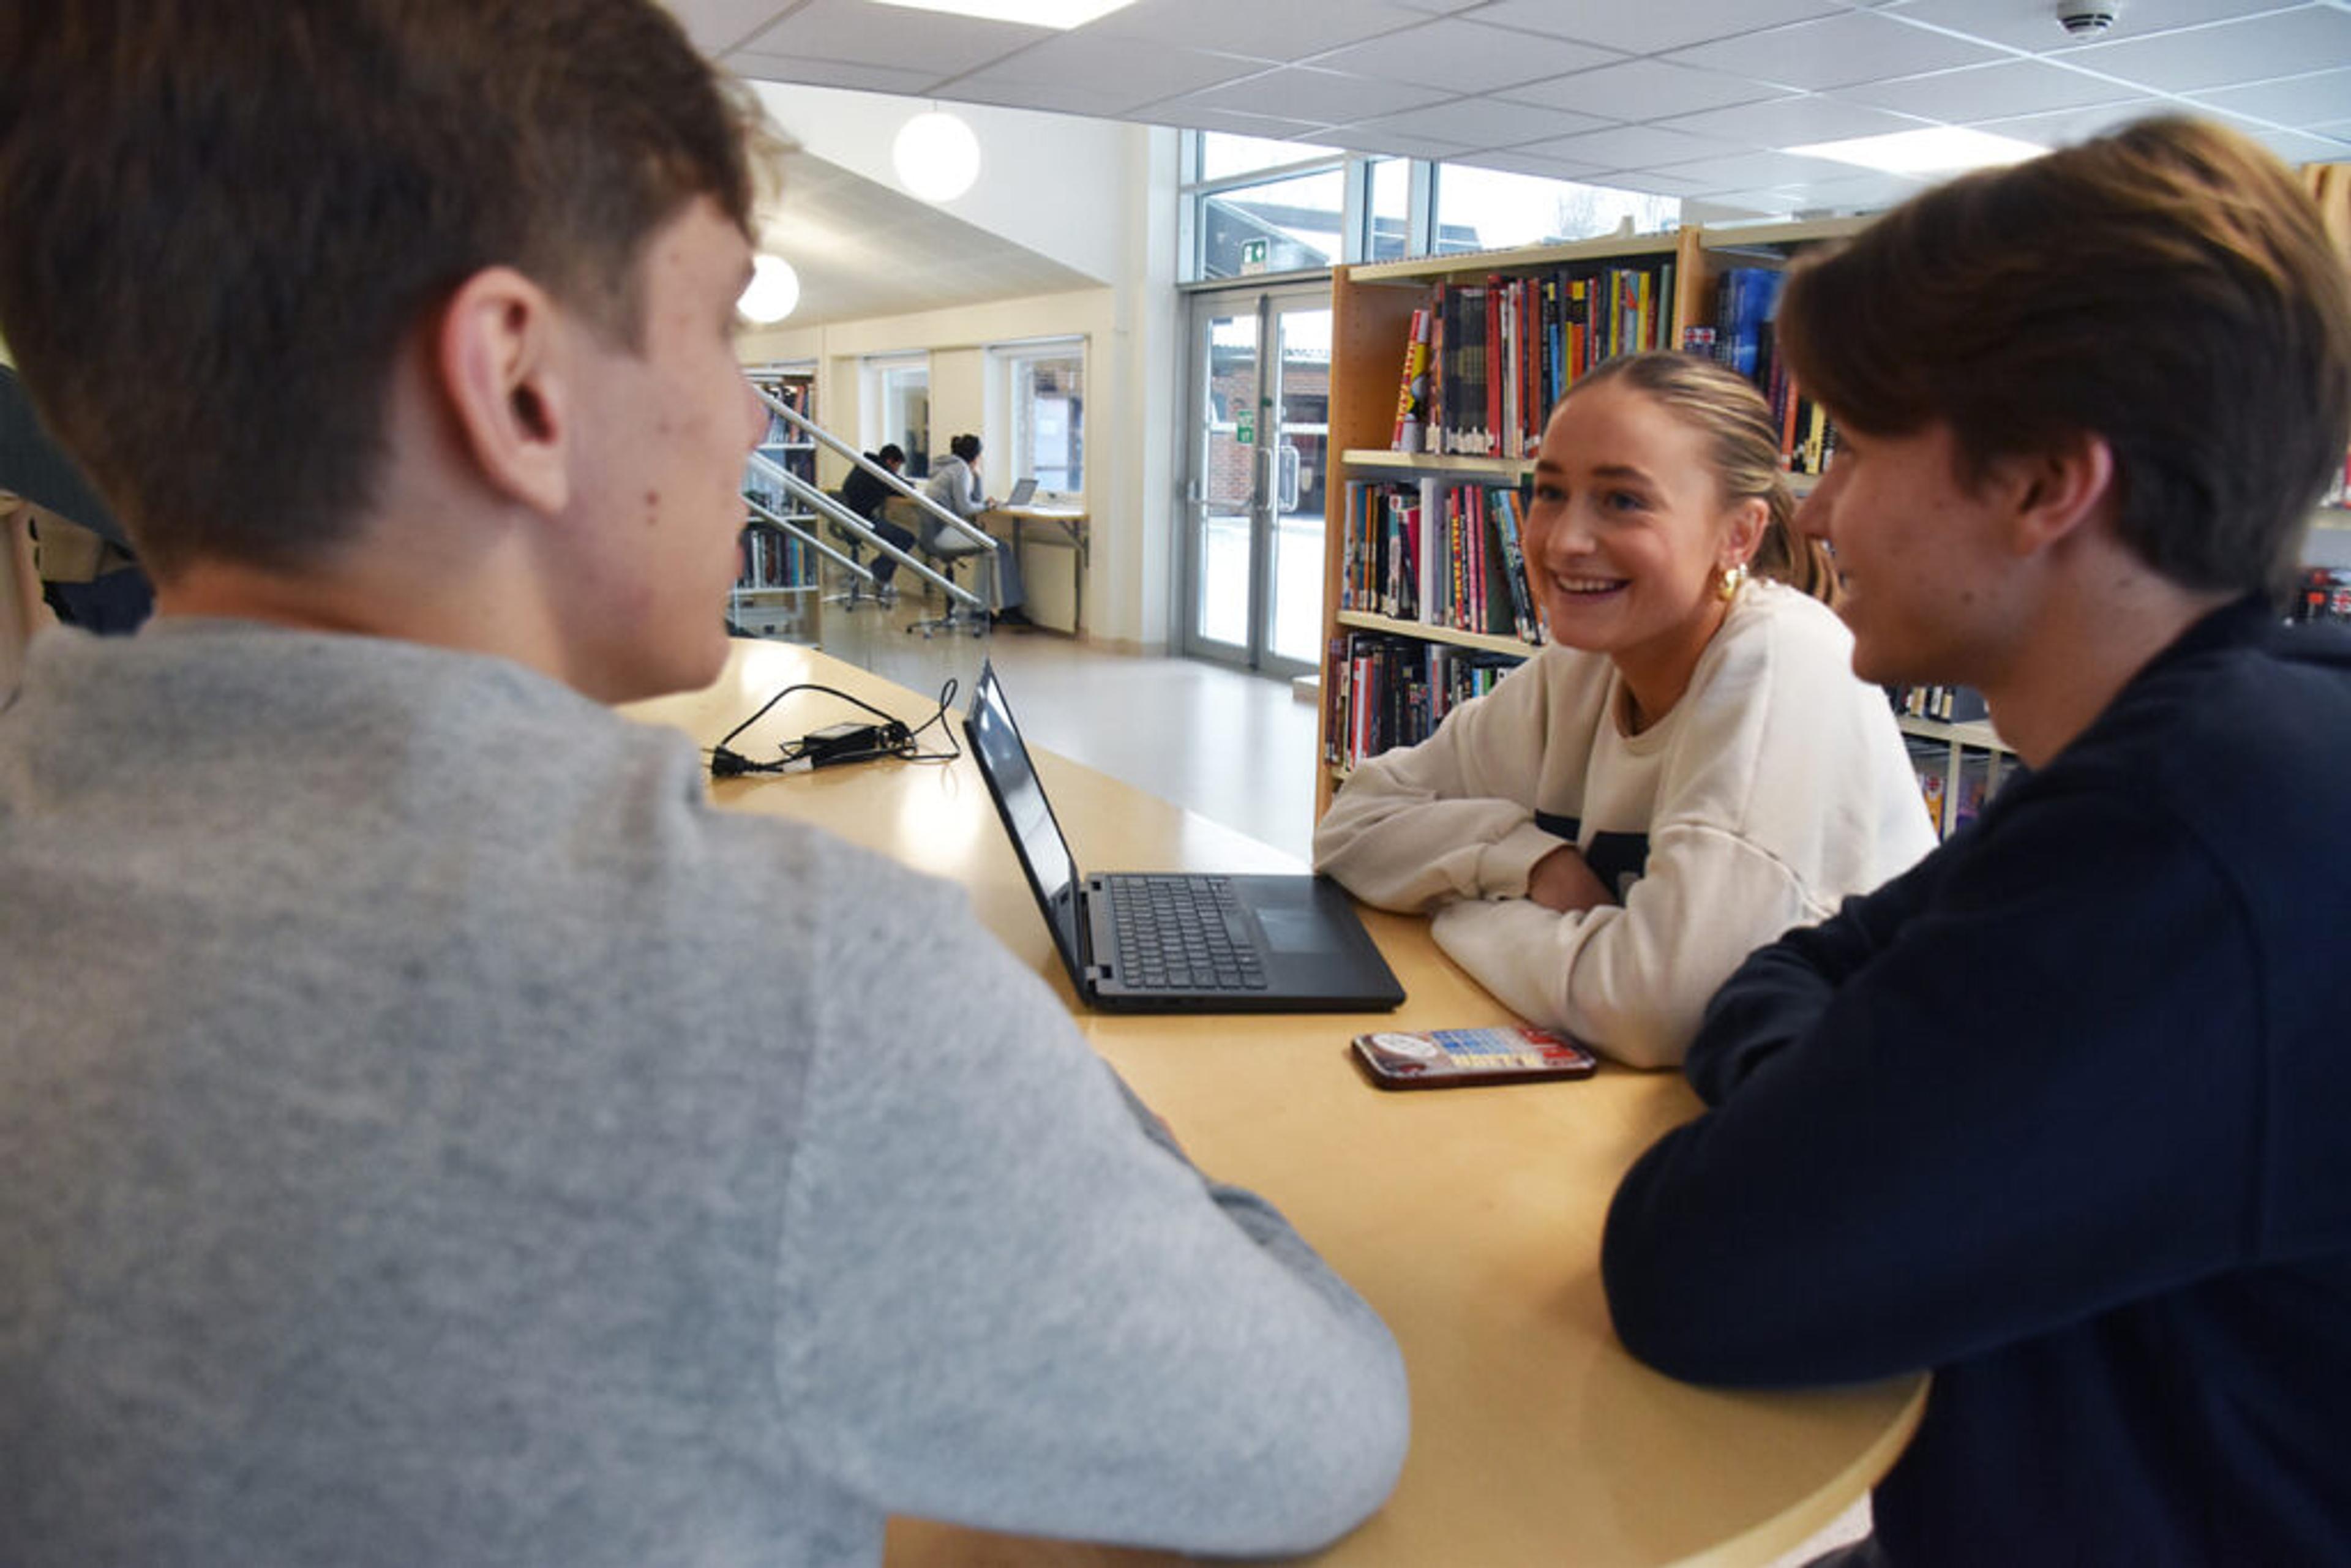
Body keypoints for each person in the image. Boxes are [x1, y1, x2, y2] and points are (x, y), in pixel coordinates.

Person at [0, 5, 1408, 1565]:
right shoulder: (789, 992)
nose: (754, 419)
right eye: (722, 329)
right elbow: (1312, 1422)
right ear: (519, 386)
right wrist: (1016, 1097)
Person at [1601, 117, 2351, 1566]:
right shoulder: (2247, 728)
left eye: (1860, 447)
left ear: (2043, 483)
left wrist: (1829, 1105)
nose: (1820, 511)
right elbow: (1799, 963)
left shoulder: (2185, 826)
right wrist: (1851, 1089)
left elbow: (1691, 1269)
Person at [1313, 351, 1936, 1067]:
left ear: (1738, 533)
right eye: (1551, 492)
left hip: (1861, 1105)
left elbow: (1661, 1007)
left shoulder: (1782, 657)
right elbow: (1353, 826)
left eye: (1624, 501)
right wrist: (1530, 861)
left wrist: (1458, 907)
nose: (1565, 540)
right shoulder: (1584, 667)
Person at [925, 430, 1030, 627]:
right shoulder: (960, 470)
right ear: (976, 456)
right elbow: (966, 508)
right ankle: (1003, 610)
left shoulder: (947, 468)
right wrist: (987, 506)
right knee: (998, 548)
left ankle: (982, 609)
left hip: (934, 534)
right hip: (944, 535)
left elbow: (973, 500)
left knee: (989, 547)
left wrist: (978, 478)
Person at [838, 441, 913, 594]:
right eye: (897, 467)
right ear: (890, 462)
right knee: (905, 539)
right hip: (861, 521)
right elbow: (904, 489)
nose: (896, 472)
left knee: (894, 538)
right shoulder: (879, 472)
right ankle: (875, 572)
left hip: (852, 519)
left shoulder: (865, 466)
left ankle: (880, 579)